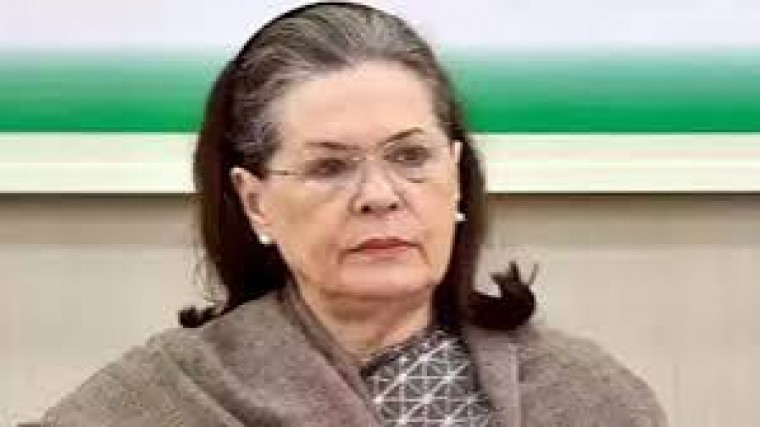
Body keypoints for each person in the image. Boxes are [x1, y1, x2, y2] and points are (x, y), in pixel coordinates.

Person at [43, 2, 666, 425]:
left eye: (410, 156)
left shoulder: (582, 395)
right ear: (256, 201)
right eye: (329, 166)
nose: (379, 195)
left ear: (455, 177)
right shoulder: (174, 397)